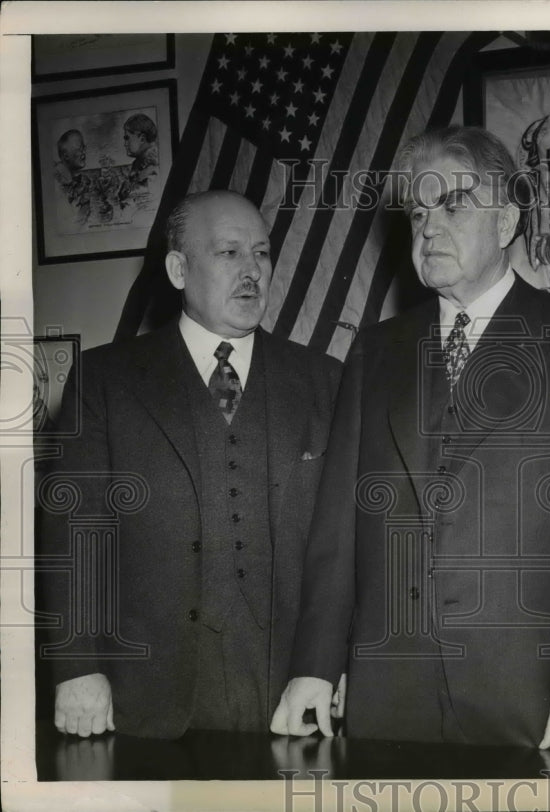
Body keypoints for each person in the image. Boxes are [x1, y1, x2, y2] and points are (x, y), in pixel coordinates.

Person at [271, 126, 550, 750]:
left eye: (453, 204)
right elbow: (338, 524)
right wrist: (315, 664)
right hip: (390, 687)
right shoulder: (376, 349)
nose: (429, 227)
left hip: (529, 689)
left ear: (506, 221)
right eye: (418, 211)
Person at [39, 190, 341, 739]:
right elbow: (75, 532)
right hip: (146, 696)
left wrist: (331, 664)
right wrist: (77, 665)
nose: (252, 271)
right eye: (228, 253)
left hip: (292, 694)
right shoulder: (104, 381)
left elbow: (345, 546)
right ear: (179, 269)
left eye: (262, 254)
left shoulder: (325, 380)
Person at [122, 113, 159, 189]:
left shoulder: (153, 166)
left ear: (142, 139)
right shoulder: (138, 163)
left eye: (127, 138)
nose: (125, 144)